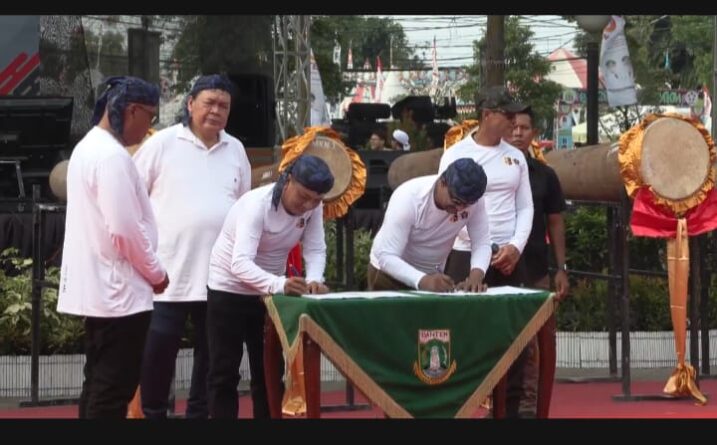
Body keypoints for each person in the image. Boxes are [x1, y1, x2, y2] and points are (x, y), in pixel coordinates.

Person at [132, 74, 251, 419]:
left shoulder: (236, 149)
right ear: (190, 104)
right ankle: (152, 416)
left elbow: (243, 207)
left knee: (211, 363)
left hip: (218, 279)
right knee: (156, 358)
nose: (216, 111)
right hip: (166, 276)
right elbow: (132, 200)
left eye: (223, 105)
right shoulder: (161, 144)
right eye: (209, 103)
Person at [57, 76, 169, 419]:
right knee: (112, 389)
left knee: (99, 384)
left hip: (105, 289)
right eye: (150, 116)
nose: (149, 128)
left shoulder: (88, 148)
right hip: (119, 292)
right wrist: (156, 273)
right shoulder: (111, 157)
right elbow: (124, 229)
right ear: (132, 110)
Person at [206, 154, 333, 419]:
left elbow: (315, 248)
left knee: (269, 372)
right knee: (223, 372)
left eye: (316, 199)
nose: (308, 205)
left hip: (270, 292)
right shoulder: (257, 205)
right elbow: (240, 263)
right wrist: (280, 284)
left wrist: (314, 280)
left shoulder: (313, 207)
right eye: (303, 196)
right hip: (229, 288)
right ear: (288, 180)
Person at [439, 86, 534, 418]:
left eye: (515, 116)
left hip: (509, 258)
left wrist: (515, 247)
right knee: (461, 335)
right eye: (507, 115)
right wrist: (478, 245)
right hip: (465, 255)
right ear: (487, 114)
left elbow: (526, 207)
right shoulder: (456, 154)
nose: (513, 123)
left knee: (515, 338)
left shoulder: (517, 157)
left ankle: (509, 412)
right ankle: (458, 409)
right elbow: (446, 205)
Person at [509, 107, 570, 418]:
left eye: (524, 127)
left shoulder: (545, 176)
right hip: (495, 273)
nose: (518, 133)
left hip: (535, 272)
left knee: (534, 346)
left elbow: (555, 222)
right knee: (499, 344)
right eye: (513, 127)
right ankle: (497, 405)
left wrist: (561, 269)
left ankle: (529, 409)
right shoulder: (488, 172)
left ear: (534, 133)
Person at [368, 158, 490, 292]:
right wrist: (423, 280)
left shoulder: (474, 202)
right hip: (389, 275)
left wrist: (476, 277)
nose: (459, 208)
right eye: (456, 201)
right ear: (442, 182)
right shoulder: (409, 198)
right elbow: (386, 256)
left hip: (432, 275)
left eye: (466, 205)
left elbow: (482, 242)